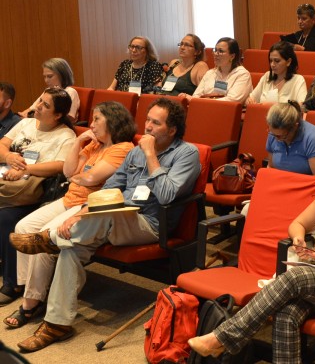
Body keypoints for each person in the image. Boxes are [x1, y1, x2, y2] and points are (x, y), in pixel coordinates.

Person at [10, 98, 201, 352]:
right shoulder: (134, 152)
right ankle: (57, 324)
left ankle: (49, 239)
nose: (148, 127)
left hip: (150, 223)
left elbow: (167, 195)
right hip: (115, 217)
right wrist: (83, 211)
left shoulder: (186, 154)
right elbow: (111, 187)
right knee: (72, 248)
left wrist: (151, 155)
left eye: (156, 123)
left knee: (104, 215)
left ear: (172, 129)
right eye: (147, 120)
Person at [188, 134, 315, 363]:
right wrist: (298, 239)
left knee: (295, 278)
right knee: (286, 313)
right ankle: (226, 340)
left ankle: (224, 338)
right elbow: (297, 224)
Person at [4, 102, 135, 326]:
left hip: (86, 204)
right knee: (23, 228)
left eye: (97, 120)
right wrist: (78, 142)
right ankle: (32, 289)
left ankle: (31, 302)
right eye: (91, 120)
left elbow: (91, 179)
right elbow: (68, 171)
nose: (91, 125)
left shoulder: (123, 148)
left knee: (43, 237)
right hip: (68, 198)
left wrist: (79, 176)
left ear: (113, 122)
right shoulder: (94, 145)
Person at [0, 88, 76, 306]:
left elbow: (62, 166)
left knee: (6, 218)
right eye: (39, 101)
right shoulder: (26, 123)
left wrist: (26, 170)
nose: (38, 107)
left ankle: (13, 282)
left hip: (36, 192)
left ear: (58, 115)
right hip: (8, 180)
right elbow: (2, 144)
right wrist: (9, 155)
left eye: (45, 105)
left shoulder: (65, 136)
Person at [265, 101, 315, 176]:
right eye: (273, 134)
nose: (277, 139)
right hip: (280, 183)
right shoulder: (274, 134)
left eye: (282, 136)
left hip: (305, 186)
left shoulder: (313, 138)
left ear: (295, 126)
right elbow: (271, 167)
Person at [189, 37, 252, 102]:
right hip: (206, 108)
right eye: (215, 50)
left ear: (232, 56)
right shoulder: (210, 73)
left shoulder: (242, 74)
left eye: (221, 51)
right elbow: (196, 95)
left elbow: (232, 100)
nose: (216, 54)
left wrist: (206, 101)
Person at [19, 59, 80, 123]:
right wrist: (21, 115)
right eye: (45, 77)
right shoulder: (48, 90)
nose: (46, 80)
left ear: (62, 75)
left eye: (49, 76)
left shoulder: (70, 92)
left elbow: (68, 119)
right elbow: (31, 109)